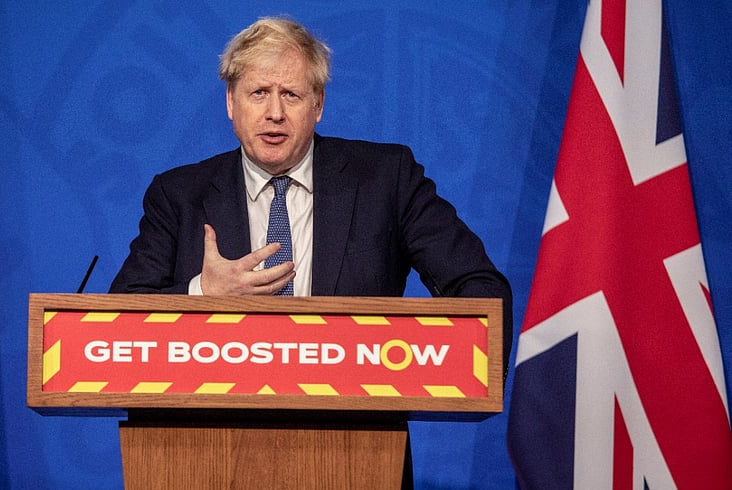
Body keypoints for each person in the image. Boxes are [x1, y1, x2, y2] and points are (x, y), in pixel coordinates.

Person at [109, 16, 512, 366]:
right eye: (259, 93)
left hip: (356, 423)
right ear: (231, 102)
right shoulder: (179, 195)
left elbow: (480, 288)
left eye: (291, 95)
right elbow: (119, 323)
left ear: (318, 105)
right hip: (212, 426)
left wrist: (431, 363)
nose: (275, 113)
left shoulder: (387, 180)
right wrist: (204, 292)